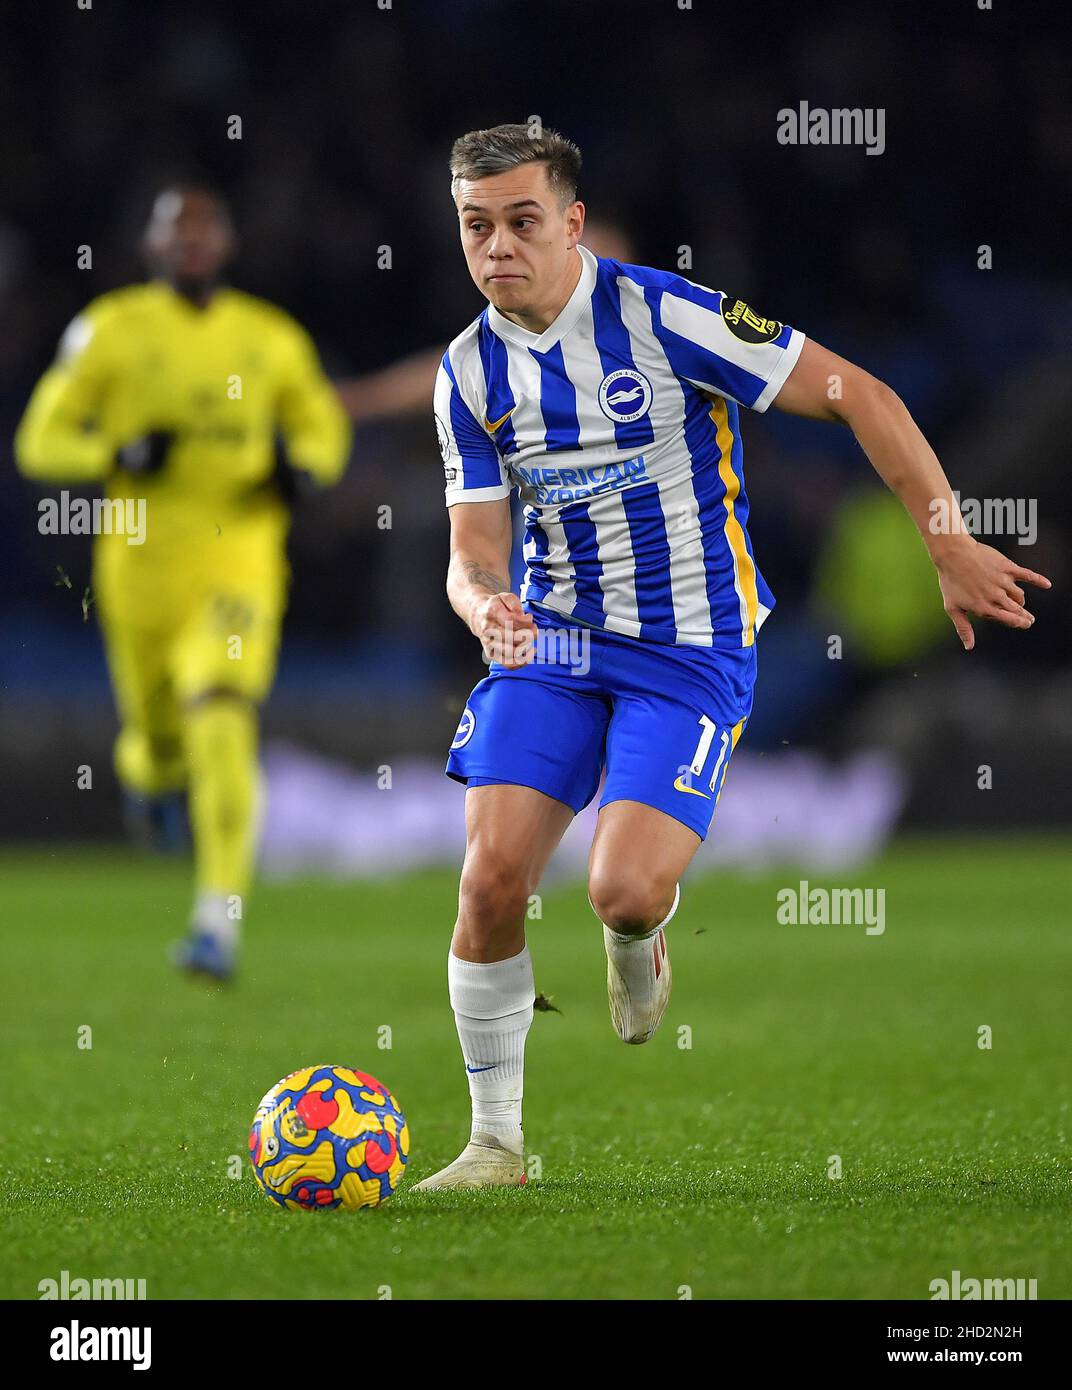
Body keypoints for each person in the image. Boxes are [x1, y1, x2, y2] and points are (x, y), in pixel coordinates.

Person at [413, 123, 1051, 1190]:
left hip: (688, 648)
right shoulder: (467, 372)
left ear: (571, 224)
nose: (497, 249)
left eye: (522, 222)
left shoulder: (662, 314)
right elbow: (469, 556)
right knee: (486, 882)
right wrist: (483, 608)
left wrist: (946, 540)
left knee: (619, 889)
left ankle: (637, 934)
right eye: (476, 227)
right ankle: (495, 1145)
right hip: (553, 646)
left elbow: (862, 395)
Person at [15, 183, 351, 981]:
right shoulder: (111, 330)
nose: (192, 245)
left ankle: (217, 920)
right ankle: (150, 777)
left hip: (237, 561)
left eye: (205, 231)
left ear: (228, 245)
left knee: (222, 711)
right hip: (139, 569)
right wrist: (116, 455)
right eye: (177, 233)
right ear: (153, 247)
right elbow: (39, 441)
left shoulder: (269, 339)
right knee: (160, 744)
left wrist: (301, 470)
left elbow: (322, 427)